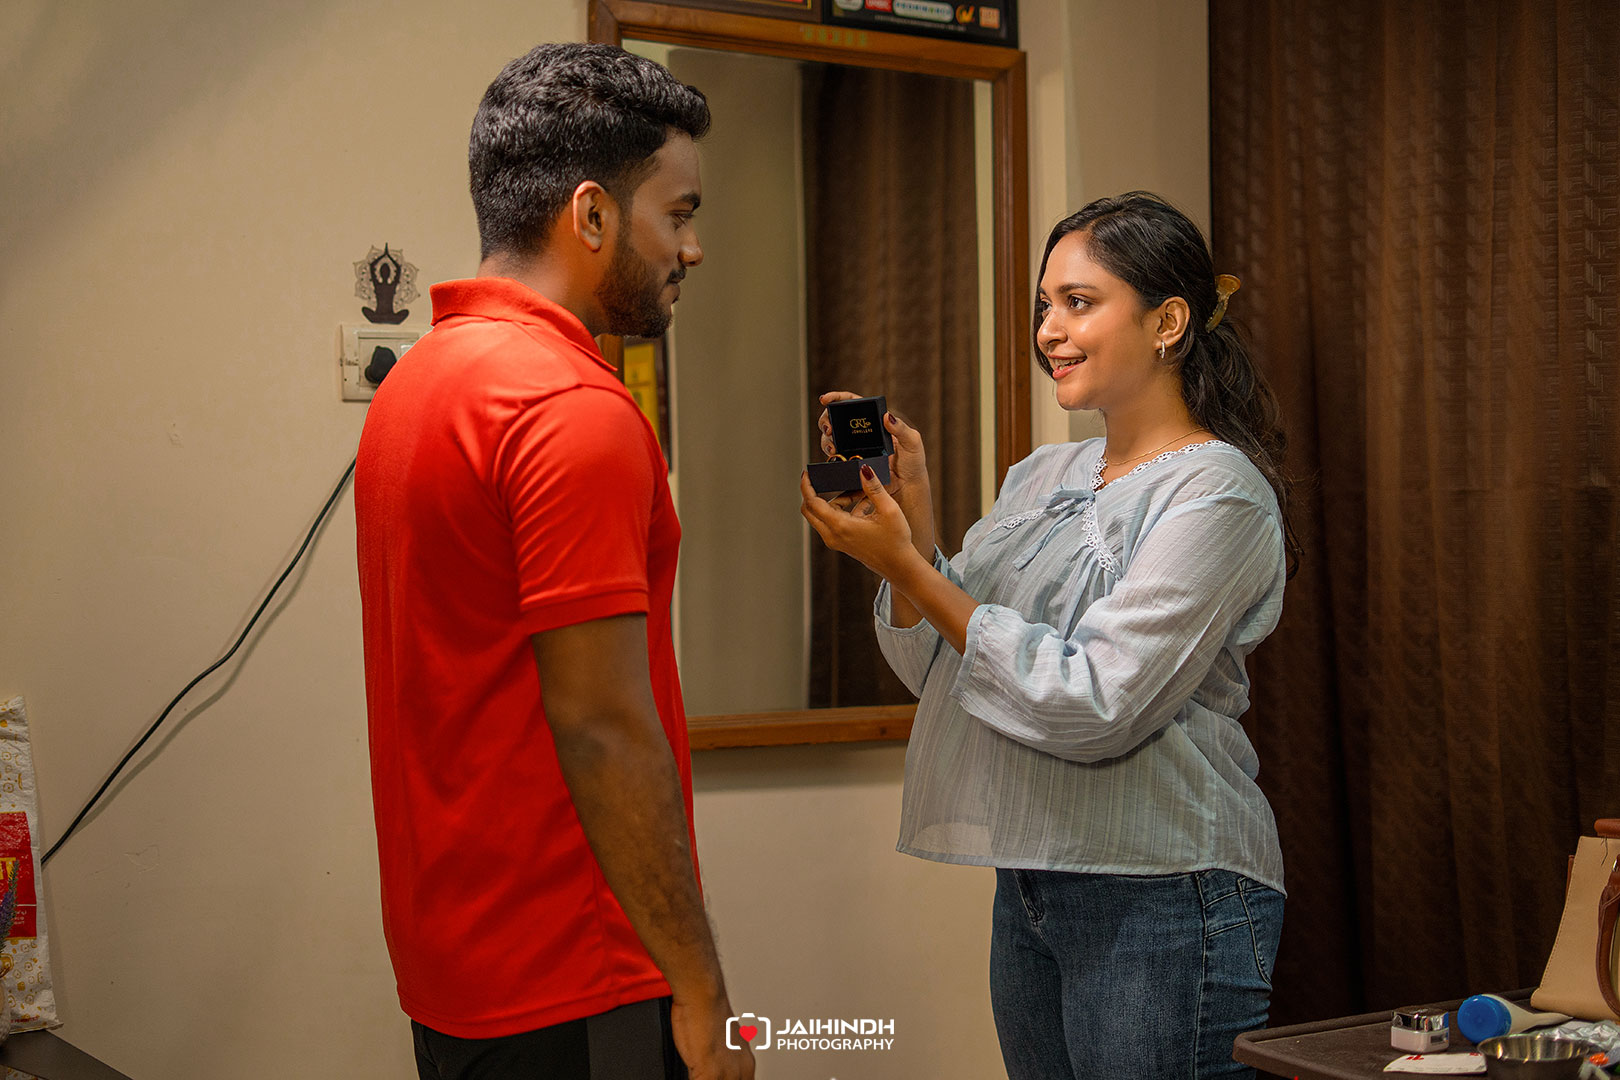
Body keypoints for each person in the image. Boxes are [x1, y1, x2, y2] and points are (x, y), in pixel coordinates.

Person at [800, 191, 1294, 1079]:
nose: (1050, 331)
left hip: (1165, 888)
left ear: (1168, 322)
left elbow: (1095, 703)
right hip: (1032, 880)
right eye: (1044, 306)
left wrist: (910, 566)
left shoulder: (1218, 492)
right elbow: (940, 670)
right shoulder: (1041, 476)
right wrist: (914, 529)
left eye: (1079, 302)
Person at [355, 43, 752, 1080]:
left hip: (459, 973)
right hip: (578, 972)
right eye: (678, 213)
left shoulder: (418, 385)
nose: (692, 248)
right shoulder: (569, 407)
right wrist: (703, 992)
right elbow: (604, 725)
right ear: (591, 215)